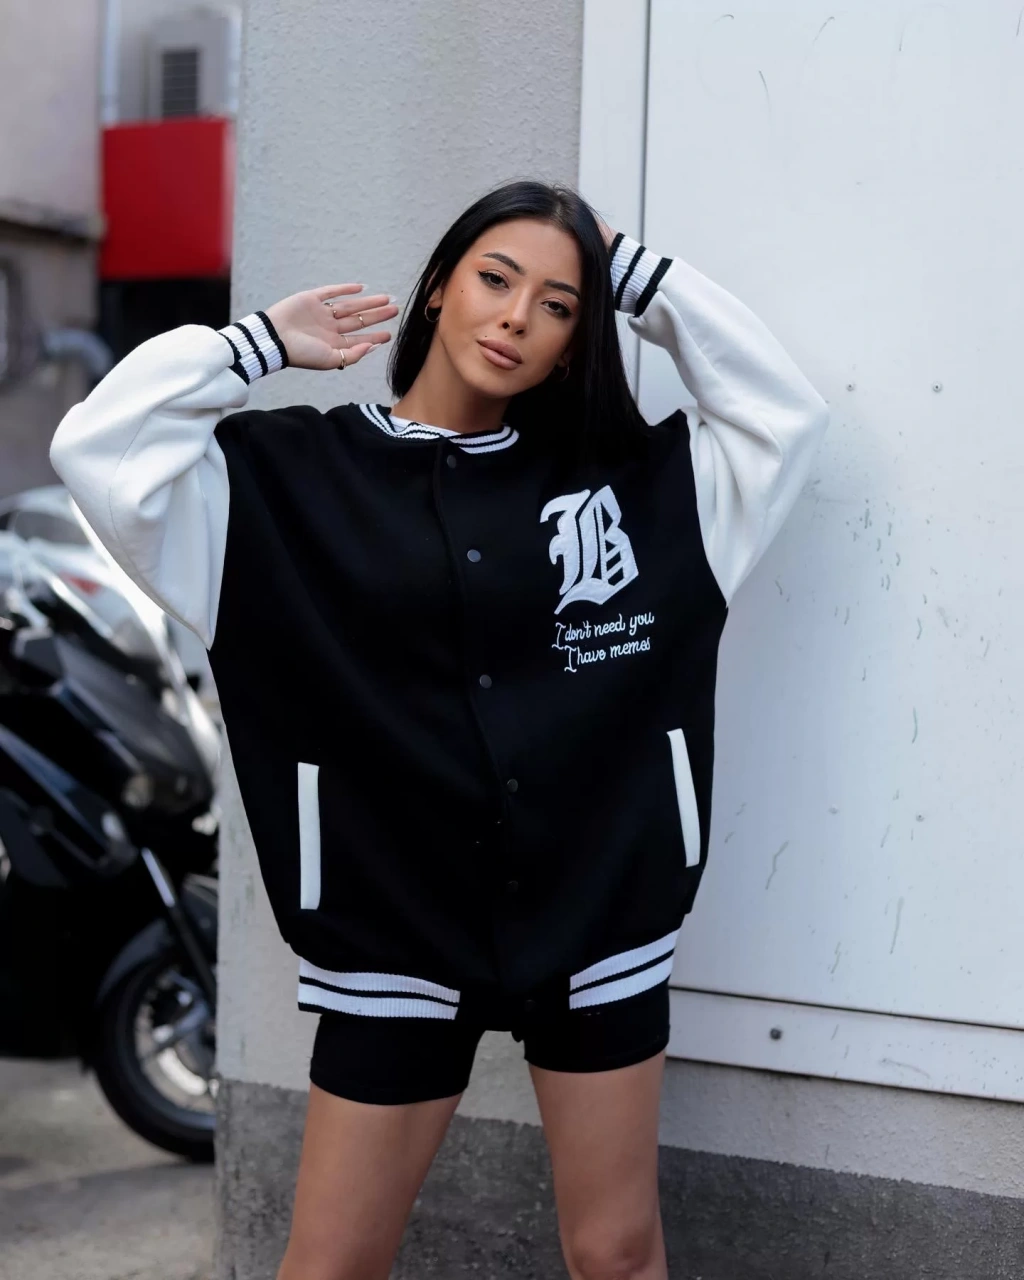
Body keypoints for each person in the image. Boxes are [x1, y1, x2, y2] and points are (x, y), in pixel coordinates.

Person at [50, 179, 828, 1280]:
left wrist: (633, 273)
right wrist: (253, 345)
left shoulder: (636, 489)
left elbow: (783, 417)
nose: (516, 317)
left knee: (616, 1251)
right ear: (436, 290)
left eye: (559, 304)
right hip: (393, 929)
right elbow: (100, 447)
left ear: (578, 340)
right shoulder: (282, 481)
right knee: (331, 1264)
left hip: (600, 914)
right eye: (494, 279)